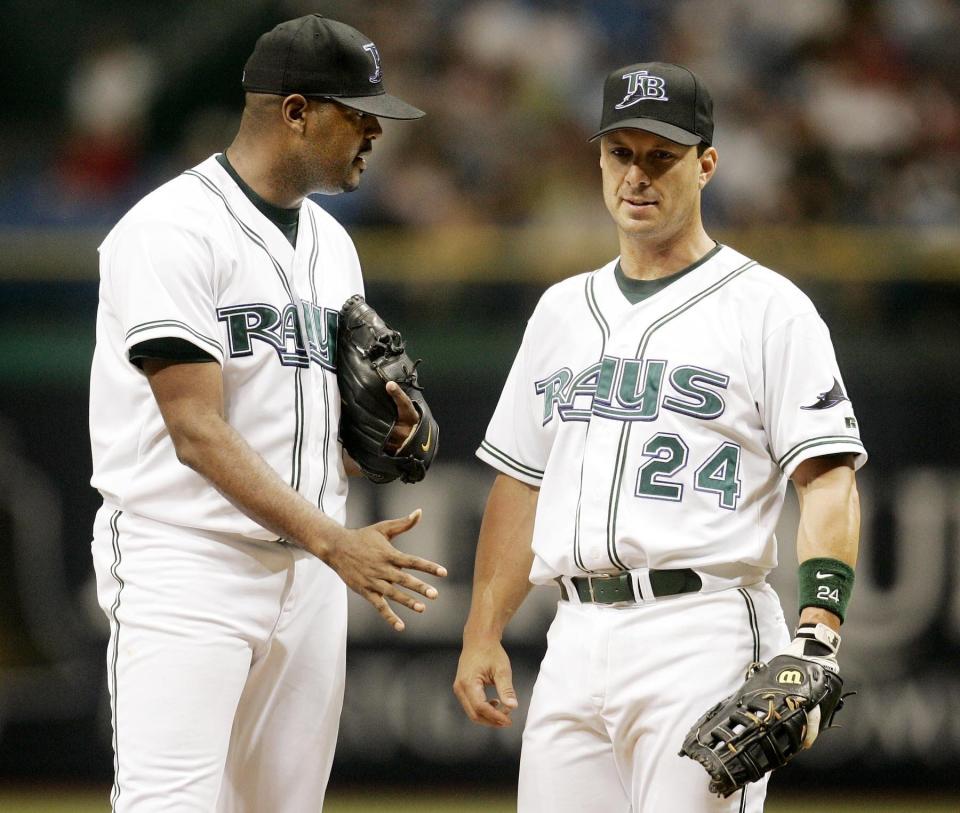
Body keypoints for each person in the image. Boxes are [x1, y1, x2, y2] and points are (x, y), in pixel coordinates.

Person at [454, 62, 865, 812]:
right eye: (621, 153)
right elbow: (522, 480)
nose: (636, 176)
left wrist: (818, 632)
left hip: (702, 631)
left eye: (661, 156)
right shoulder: (559, 311)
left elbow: (829, 477)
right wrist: (484, 629)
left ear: (706, 165)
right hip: (574, 635)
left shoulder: (771, 309)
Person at [89, 15, 446, 812]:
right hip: (186, 560)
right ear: (296, 112)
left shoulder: (332, 241)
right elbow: (196, 428)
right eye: (359, 113)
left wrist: (377, 440)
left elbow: (312, 425)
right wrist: (335, 542)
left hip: (308, 571)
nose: (375, 132)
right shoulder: (167, 229)